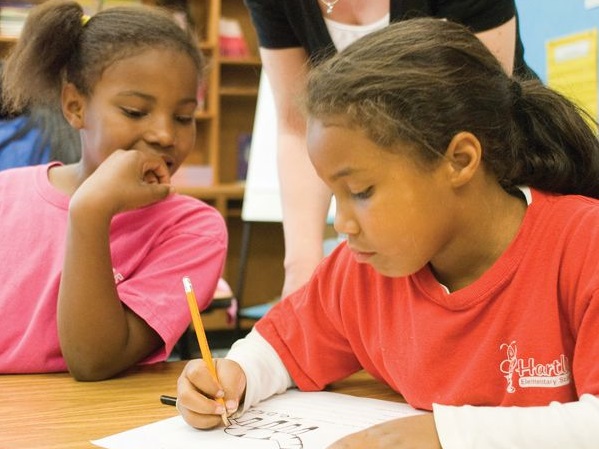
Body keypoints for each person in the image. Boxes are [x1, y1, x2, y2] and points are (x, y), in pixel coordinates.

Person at [175, 18, 599, 448]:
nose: (341, 222)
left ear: (460, 160)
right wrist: (236, 376)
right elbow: (279, 346)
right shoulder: (363, 271)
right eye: (334, 194)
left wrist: (445, 436)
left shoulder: (585, 245)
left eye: (360, 191)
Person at [244, 0, 538, 299]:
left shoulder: (570, 246)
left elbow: (483, 114)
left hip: (501, 188)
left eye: (361, 191)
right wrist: (301, 267)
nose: (343, 225)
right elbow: (296, 126)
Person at [0, 0, 228, 381]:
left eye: (183, 117)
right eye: (136, 112)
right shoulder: (7, 194)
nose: (165, 135)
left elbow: (94, 361)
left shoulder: (194, 228)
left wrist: (90, 210)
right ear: (75, 106)